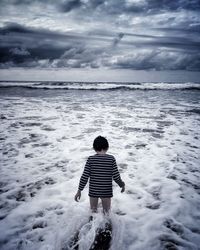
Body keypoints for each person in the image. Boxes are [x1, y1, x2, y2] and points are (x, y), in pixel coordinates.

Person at [74, 136, 125, 214]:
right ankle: (107, 225)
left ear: (94, 148)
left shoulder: (90, 159)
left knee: (93, 212)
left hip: (93, 191)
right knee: (107, 213)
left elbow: (84, 176)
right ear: (107, 147)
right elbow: (116, 176)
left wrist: (79, 190)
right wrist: (122, 185)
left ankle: (92, 224)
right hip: (106, 191)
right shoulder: (111, 159)